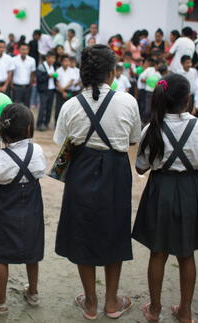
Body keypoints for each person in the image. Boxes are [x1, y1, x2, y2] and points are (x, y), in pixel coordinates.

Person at [54, 45, 141, 320]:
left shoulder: (70, 105)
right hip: (115, 171)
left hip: (81, 169)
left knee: (82, 232)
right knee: (115, 231)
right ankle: (112, 302)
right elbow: (132, 140)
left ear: (83, 74)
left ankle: (90, 302)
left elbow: (63, 143)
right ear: (112, 73)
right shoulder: (128, 102)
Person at [133, 74, 198, 323]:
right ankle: (185, 311)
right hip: (190, 189)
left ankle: (155, 309)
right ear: (187, 99)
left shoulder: (152, 128)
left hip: (160, 190)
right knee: (186, 254)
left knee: (157, 252)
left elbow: (140, 168)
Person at [0, 103, 46, 315]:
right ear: (29, 129)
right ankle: (33, 292)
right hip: (33, 208)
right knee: (33, 252)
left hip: (6, 210)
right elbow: (40, 172)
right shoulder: (37, 150)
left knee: (2, 256)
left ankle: (0, 302)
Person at [36, 50, 57, 131]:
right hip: (44, 90)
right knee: (43, 107)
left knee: (49, 107)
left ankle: (46, 123)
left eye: (54, 58)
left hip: (51, 90)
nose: (53, 60)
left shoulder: (53, 67)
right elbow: (39, 79)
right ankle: (39, 124)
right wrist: (48, 76)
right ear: (47, 58)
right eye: (52, 58)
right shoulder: (41, 67)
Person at [11, 43, 36, 108]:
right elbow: (11, 73)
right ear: (19, 50)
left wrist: (31, 84)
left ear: (28, 50)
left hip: (27, 87)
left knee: (27, 106)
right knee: (16, 106)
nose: (24, 51)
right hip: (16, 87)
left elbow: (32, 73)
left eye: (26, 49)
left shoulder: (32, 60)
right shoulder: (14, 59)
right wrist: (11, 84)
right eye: (22, 49)